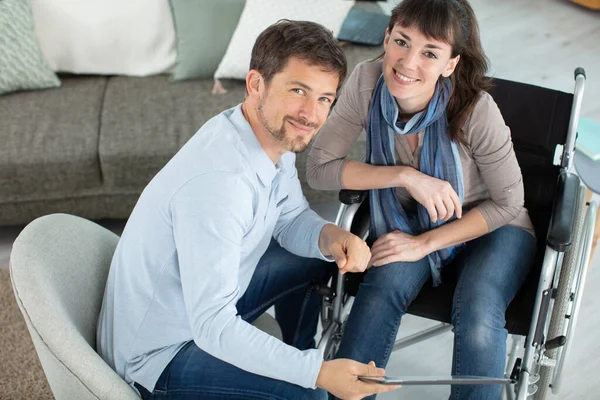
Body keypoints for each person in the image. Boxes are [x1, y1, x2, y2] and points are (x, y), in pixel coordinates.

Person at [96, 20, 400, 400]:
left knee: (321, 259)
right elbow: (213, 327)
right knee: (308, 394)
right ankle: (302, 371)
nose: (311, 114)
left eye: (324, 98)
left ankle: (298, 349)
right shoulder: (220, 184)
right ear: (256, 84)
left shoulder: (264, 134)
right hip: (159, 356)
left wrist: (331, 236)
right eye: (298, 91)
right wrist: (315, 375)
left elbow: (289, 217)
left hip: (204, 303)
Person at [306, 0, 536, 399]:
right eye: (402, 42)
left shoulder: (476, 111)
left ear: (451, 64)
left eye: (429, 52)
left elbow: (508, 202)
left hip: (492, 224)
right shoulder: (367, 81)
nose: (408, 62)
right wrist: (405, 176)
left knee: (479, 310)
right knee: (379, 288)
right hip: (409, 217)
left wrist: (423, 244)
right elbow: (319, 167)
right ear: (386, 37)